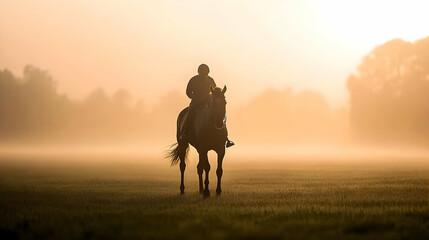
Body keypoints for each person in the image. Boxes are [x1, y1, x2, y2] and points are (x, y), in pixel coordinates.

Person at [180, 64, 234, 148]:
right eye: (202, 73)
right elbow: (188, 92)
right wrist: (194, 97)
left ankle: (225, 138)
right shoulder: (193, 80)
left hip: (208, 102)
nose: (204, 75)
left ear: (208, 73)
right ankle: (184, 133)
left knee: (219, 114)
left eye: (205, 73)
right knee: (190, 114)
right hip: (196, 102)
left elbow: (215, 92)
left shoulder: (210, 80)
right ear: (199, 72)